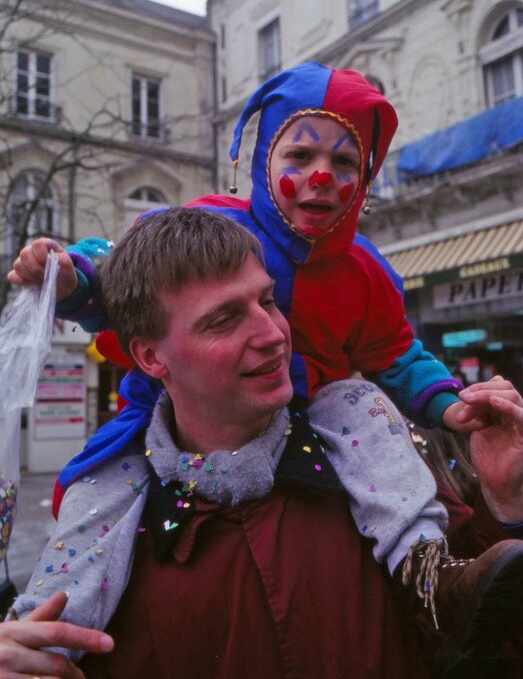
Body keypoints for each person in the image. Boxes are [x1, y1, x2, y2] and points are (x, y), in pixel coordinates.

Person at [5, 64, 492, 602]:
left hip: (313, 420)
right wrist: (72, 277)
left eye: (345, 161)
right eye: (301, 156)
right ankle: (48, 630)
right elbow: (128, 276)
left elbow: (396, 353)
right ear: (264, 162)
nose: (322, 177)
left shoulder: (366, 272)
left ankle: (427, 571)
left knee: (361, 404)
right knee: (98, 501)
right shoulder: (212, 226)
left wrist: (451, 406)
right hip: (172, 420)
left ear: (366, 180)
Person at [2, 208, 523, 679]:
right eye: (224, 319)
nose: (274, 333)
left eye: (267, 299)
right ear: (149, 358)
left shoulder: (378, 456)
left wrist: (504, 503)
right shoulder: (106, 531)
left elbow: (484, 636)